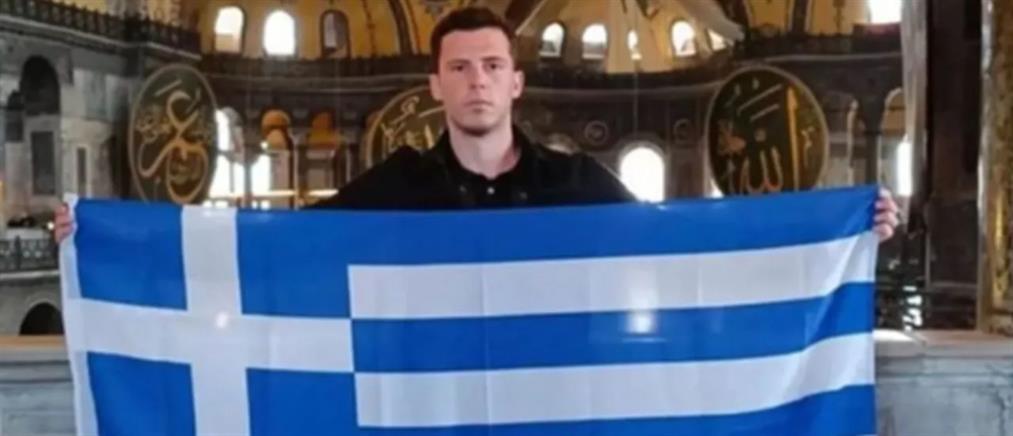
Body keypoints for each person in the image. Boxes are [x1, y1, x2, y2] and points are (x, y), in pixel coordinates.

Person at [53, 7, 900, 240]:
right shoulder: (395, 186)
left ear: (516, 82)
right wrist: (106, 231)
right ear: (435, 85)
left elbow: (680, 238)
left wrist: (841, 225)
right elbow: (273, 243)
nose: (477, 81)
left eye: (491, 65)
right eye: (459, 67)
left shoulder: (576, 183)